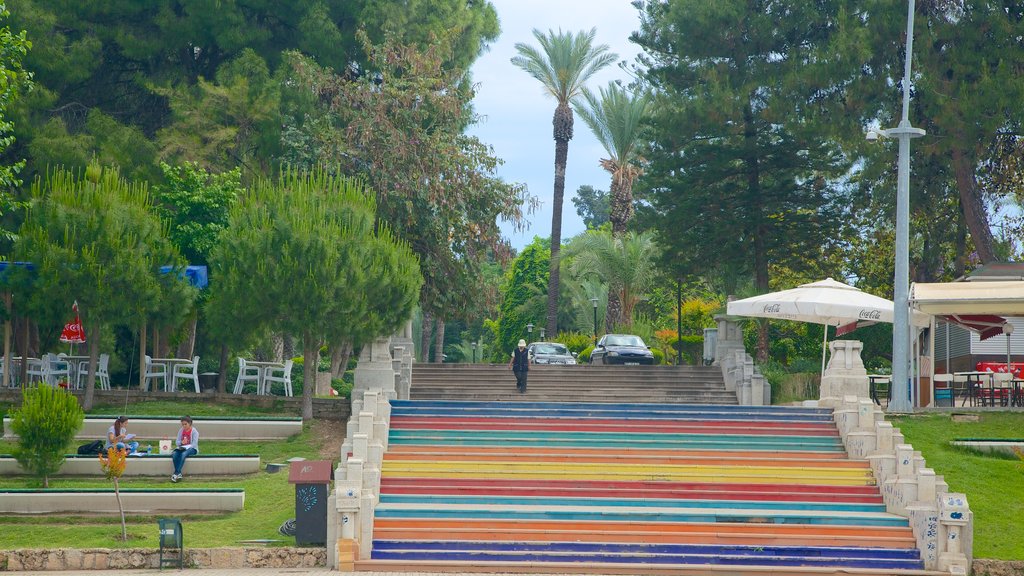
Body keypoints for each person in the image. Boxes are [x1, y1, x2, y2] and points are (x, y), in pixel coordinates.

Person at [170, 415, 199, 483]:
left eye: (185, 424)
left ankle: (176, 473)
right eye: (182, 424)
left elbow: (194, 444)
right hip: (182, 448)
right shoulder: (181, 431)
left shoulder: (195, 432)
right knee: (174, 454)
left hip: (192, 449)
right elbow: (177, 442)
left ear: (190, 423)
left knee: (183, 454)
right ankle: (178, 473)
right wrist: (181, 442)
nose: (184, 426)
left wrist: (187, 446)